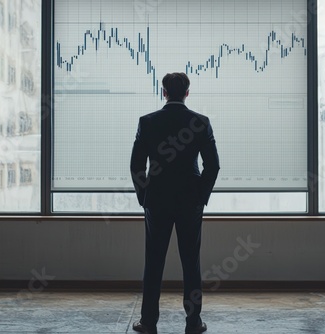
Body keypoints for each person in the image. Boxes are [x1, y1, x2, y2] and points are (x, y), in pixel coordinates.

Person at [130, 72, 220, 334]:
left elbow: (137, 165)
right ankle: (193, 323)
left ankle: (148, 323)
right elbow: (212, 166)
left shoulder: (147, 122)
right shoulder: (200, 122)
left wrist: (144, 197)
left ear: (164, 92)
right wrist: (200, 196)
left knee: (154, 262)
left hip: (156, 200)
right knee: (191, 262)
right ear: (187, 93)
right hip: (190, 201)